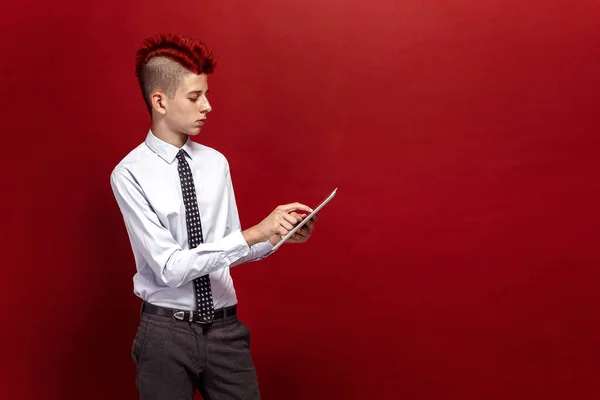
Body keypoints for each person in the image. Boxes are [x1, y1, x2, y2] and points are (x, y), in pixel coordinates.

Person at [110, 33, 317, 400]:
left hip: (226, 331)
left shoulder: (215, 163)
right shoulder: (129, 174)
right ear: (159, 101)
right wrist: (255, 233)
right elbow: (170, 268)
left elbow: (230, 246)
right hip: (165, 335)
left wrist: (276, 235)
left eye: (206, 94)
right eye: (194, 97)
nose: (207, 106)